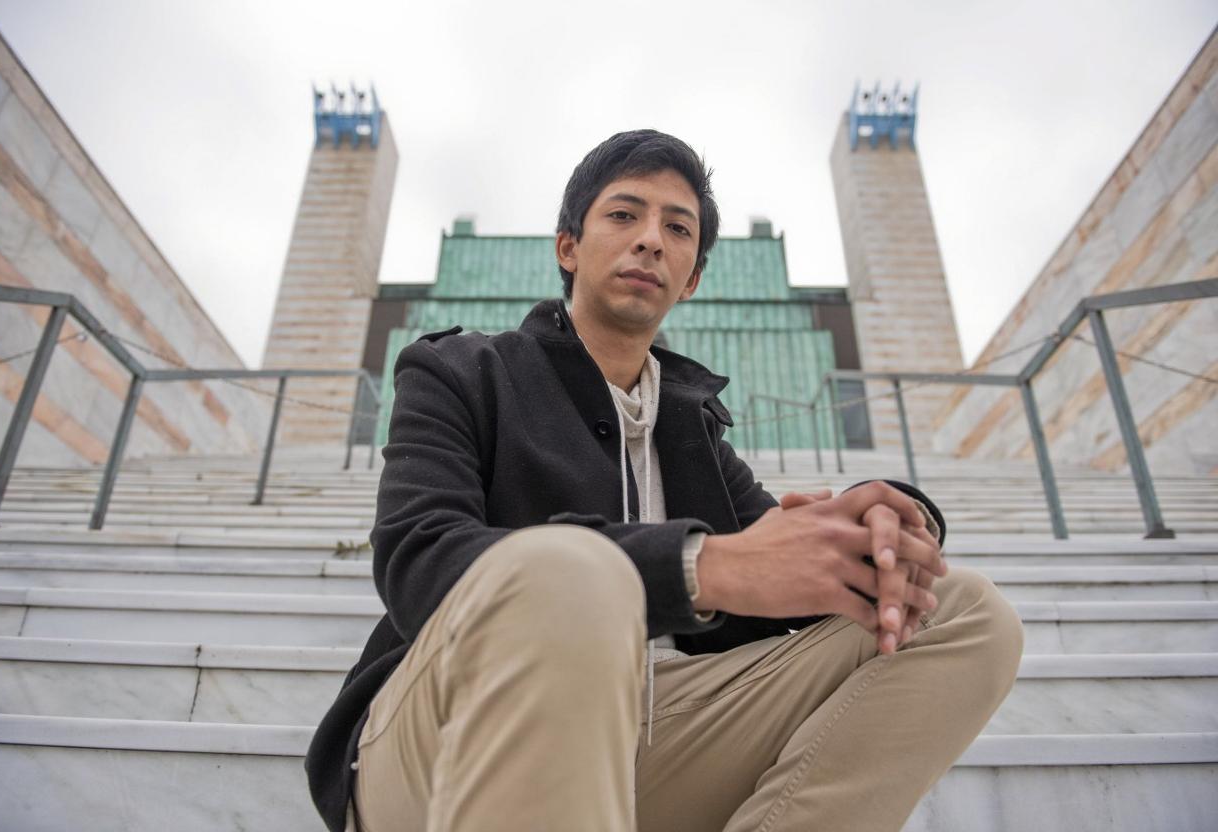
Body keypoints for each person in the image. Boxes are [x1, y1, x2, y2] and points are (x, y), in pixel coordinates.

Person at [306, 129, 1024, 832]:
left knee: (962, 609)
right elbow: (420, 563)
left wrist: (884, 529)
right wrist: (697, 566)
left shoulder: (694, 426)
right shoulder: (462, 373)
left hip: (659, 734)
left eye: (677, 229)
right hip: (448, 737)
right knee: (563, 571)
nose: (651, 239)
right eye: (624, 215)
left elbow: (784, 584)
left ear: (693, 277)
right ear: (569, 247)